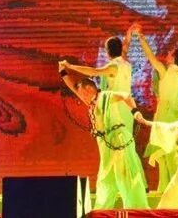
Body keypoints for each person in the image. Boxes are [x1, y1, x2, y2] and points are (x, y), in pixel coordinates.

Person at [59, 71, 148, 209]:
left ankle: (136, 209)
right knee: (106, 178)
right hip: (106, 145)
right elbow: (73, 88)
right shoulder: (91, 103)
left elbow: (126, 96)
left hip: (119, 139)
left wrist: (135, 111)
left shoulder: (105, 96)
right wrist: (63, 72)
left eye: (82, 91)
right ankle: (102, 210)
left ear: (89, 88)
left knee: (126, 174)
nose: (80, 95)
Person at [130, 23, 178, 193]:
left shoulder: (164, 71)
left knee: (165, 154)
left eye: (170, 52)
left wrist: (141, 37)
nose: (167, 54)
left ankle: (168, 189)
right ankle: (170, 188)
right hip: (175, 117)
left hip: (163, 117)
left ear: (173, 57)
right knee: (171, 153)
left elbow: (150, 56)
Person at [59, 29, 135, 130]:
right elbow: (125, 50)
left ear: (108, 52)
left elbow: (93, 72)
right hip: (127, 111)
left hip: (117, 112)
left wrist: (70, 66)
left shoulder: (113, 67)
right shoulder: (126, 64)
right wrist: (129, 34)